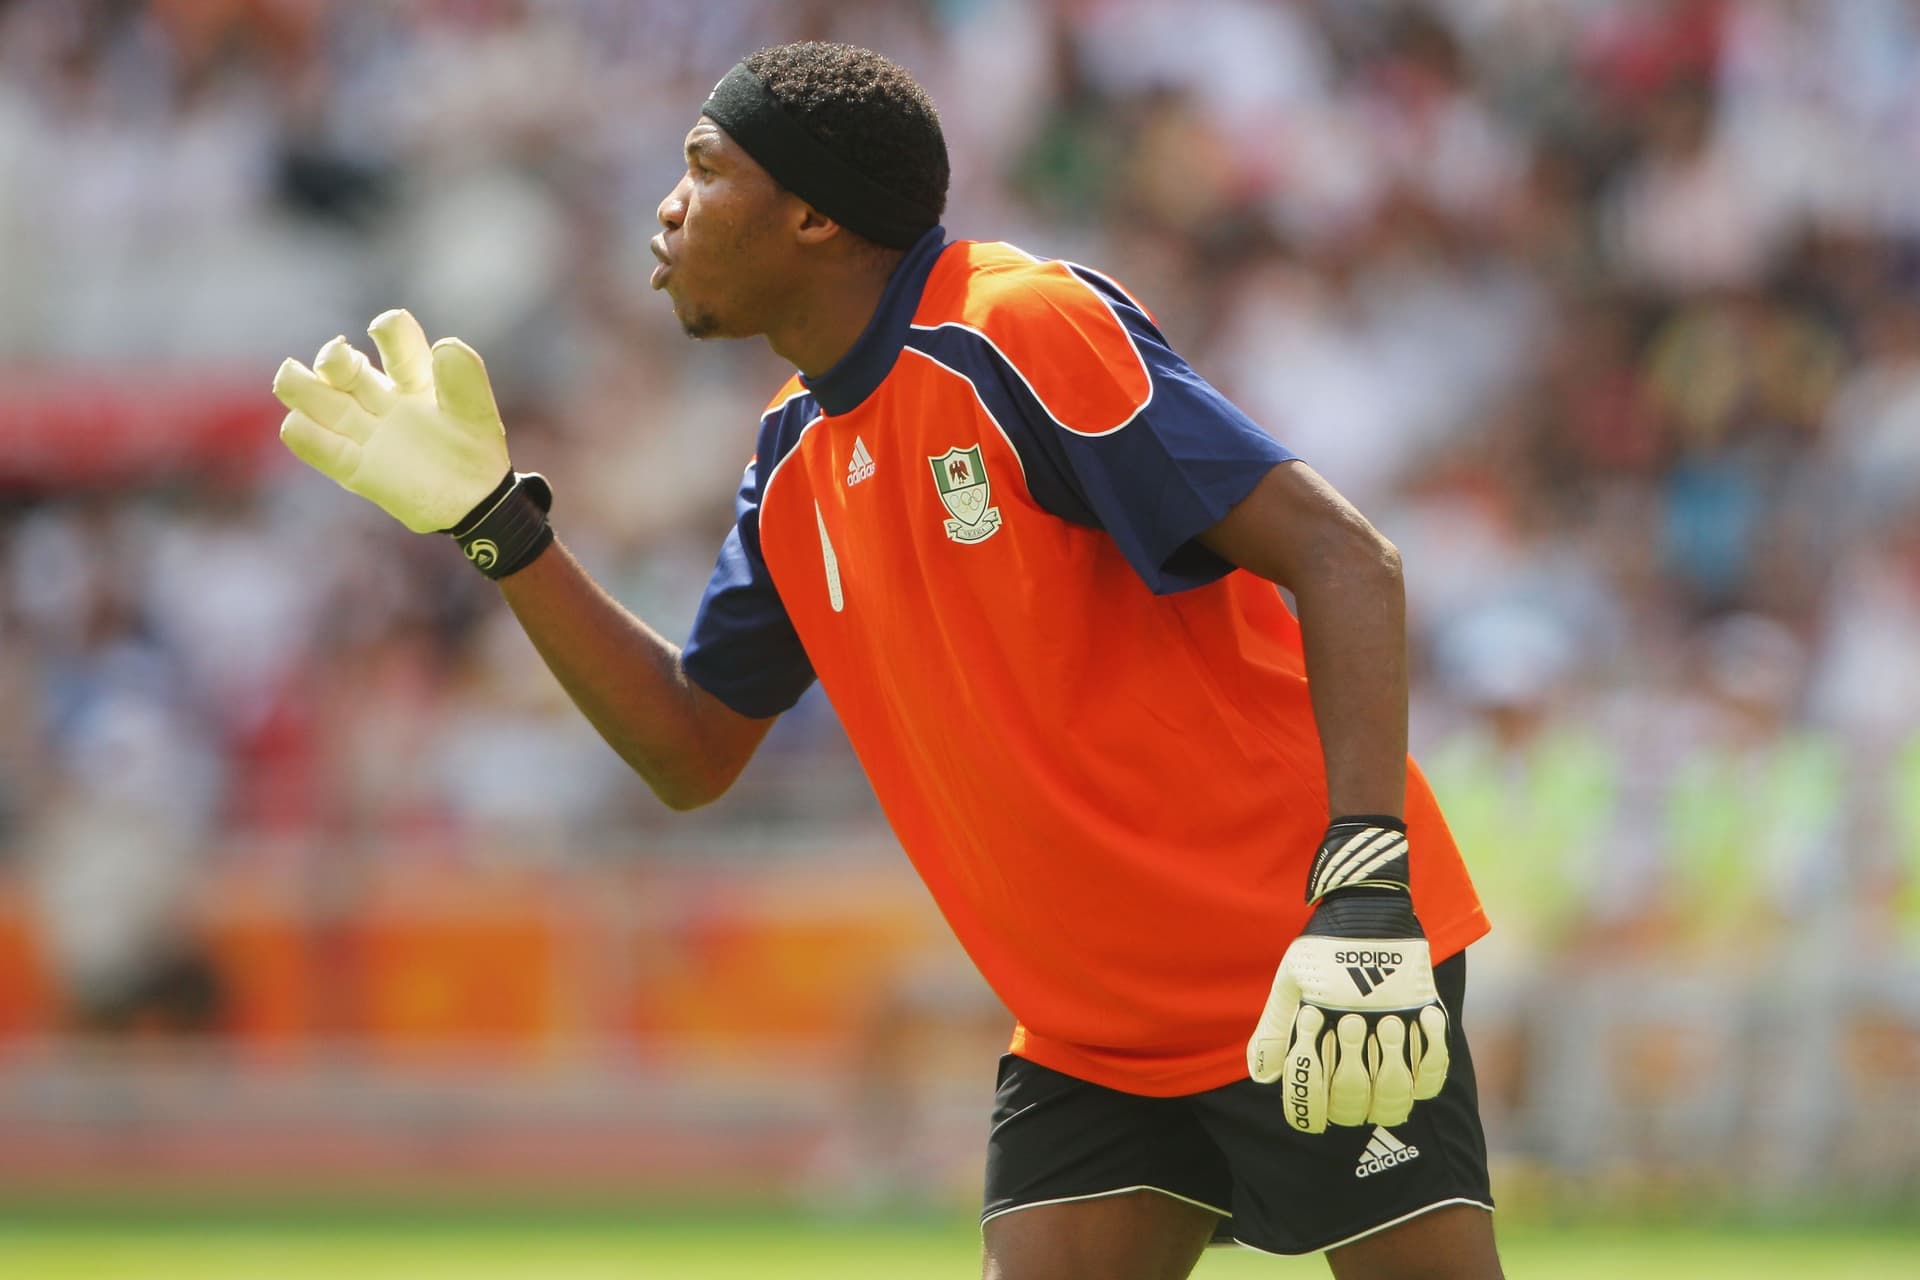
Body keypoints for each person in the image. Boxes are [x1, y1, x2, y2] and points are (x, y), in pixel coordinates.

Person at [271, 41, 1500, 1280]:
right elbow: (693, 747)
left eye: (703, 166)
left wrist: (1363, 896)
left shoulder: (1017, 326)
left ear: (811, 213)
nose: (668, 203)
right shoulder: (791, 449)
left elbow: (1348, 560)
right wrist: (501, 529)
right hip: (1091, 1033)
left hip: (1304, 957)